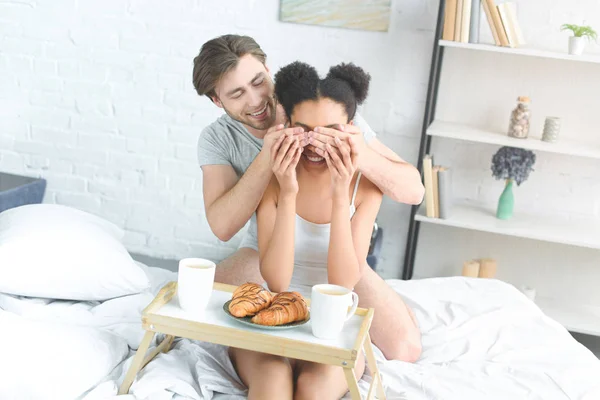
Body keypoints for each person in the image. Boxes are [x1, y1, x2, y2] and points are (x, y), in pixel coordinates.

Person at [193, 34, 422, 362]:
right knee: (196, 309)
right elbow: (222, 227)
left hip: (340, 246)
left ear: (269, 70)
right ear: (218, 100)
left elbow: (414, 192)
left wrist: (361, 154)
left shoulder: (316, 107)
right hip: (264, 251)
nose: (257, 100)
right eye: (237, 94)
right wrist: (267, 157)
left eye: (259, 82)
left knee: (405, 349)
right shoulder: (217, 139)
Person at [229, 60, 382, 399]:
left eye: (330, 131)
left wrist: (341, 196)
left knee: (312, 391)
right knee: (272, 384)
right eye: (305, 130)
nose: (316, 145)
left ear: (351, 128)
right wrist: (288, 191)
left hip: (333, 328)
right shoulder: (273, 179)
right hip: (273, 322)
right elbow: (277, 281)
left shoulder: (366, 188)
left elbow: (343, 283)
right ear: (288, 126)